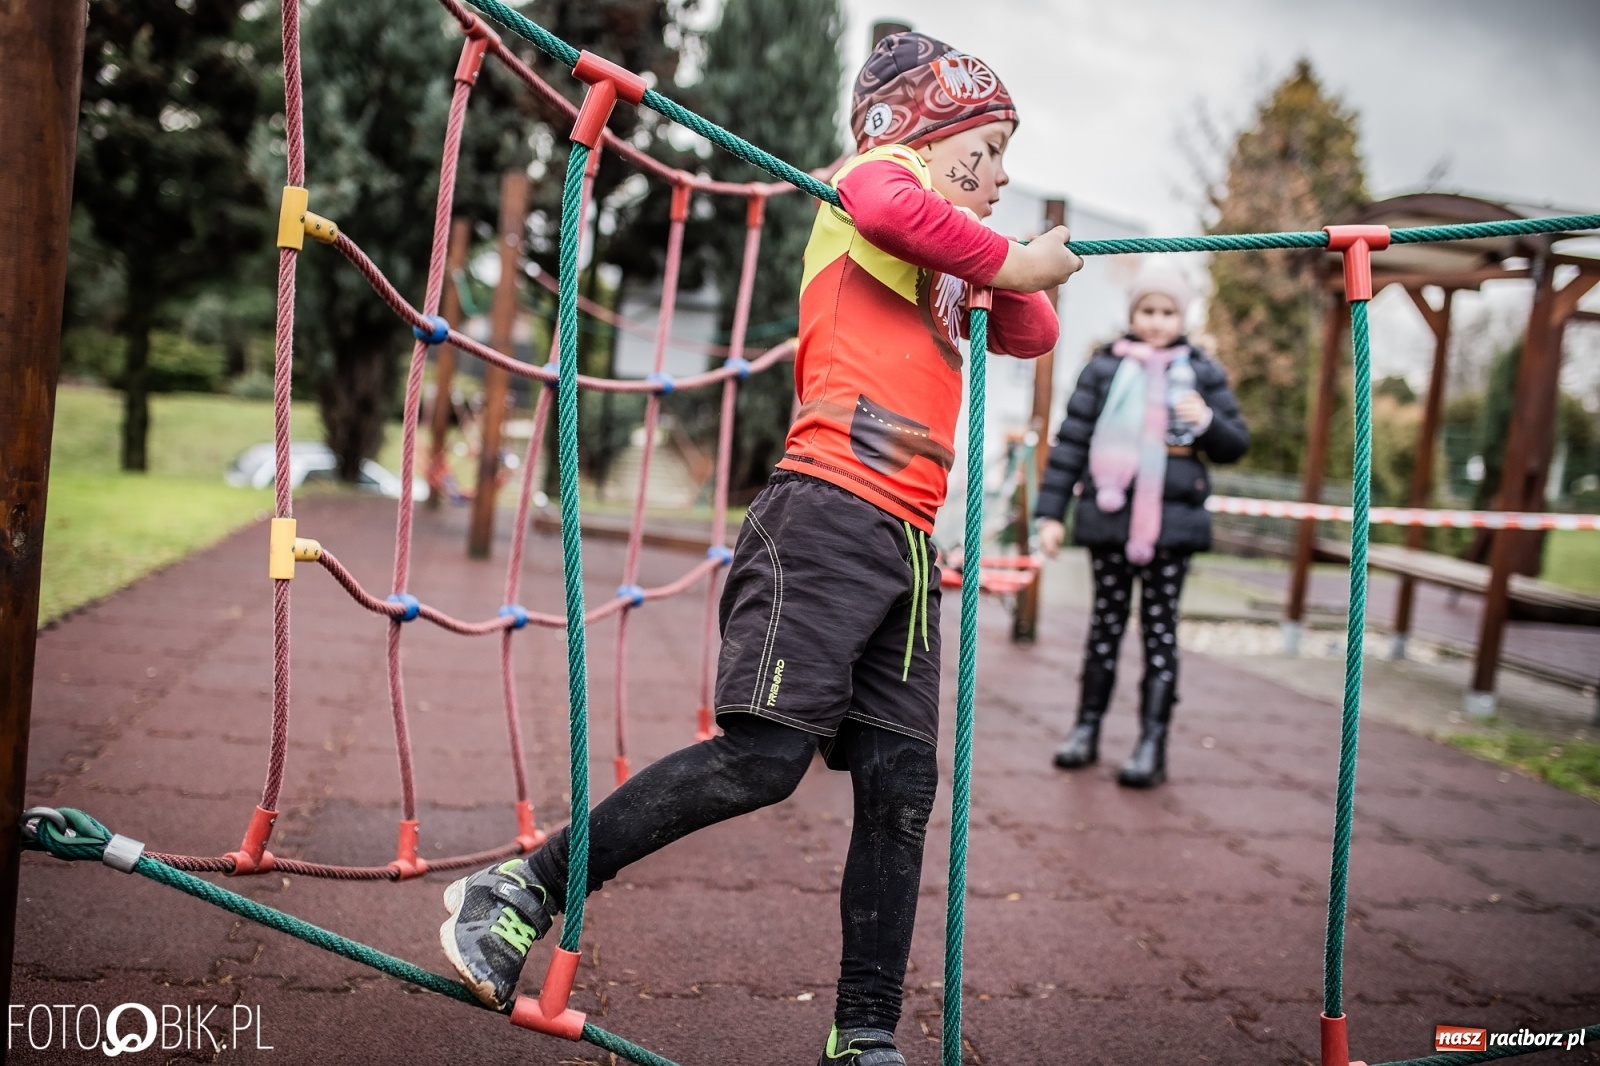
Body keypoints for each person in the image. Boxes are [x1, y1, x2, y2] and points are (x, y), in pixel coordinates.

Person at [438, 32, 1081, 1065]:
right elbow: (887, 204)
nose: (1003, 176)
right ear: (928, 133)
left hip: (908, 544)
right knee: (764, 760)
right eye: (990, 149)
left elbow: (1033, 332)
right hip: (827, 513)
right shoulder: (876, 182)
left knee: (901, 787)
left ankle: (862, 1029)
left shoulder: (948, 248)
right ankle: (524, 886)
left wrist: (1000, 261)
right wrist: (1005, 255)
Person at [1033, 267, 1248, 788]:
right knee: (1104, 626)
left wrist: (1206, 422)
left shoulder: (1201, 371)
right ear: (1132, 314)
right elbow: (1071, 443)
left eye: (1168, 312)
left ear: (1182, 316)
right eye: (1148, 311)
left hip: (1172, 524)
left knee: (1159, 631)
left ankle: (1152, 742)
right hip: (1111, 513)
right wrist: (1050, 514)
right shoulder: (1104, 367)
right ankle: (1086, 728)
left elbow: (1235, 444)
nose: (1157, 322)